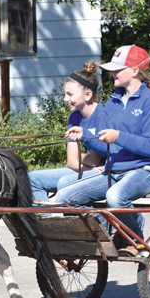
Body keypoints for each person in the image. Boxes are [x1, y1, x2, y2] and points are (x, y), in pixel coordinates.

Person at [55, 45, 150, 250]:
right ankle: (102, 237)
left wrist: (119, 136)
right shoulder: (114, 101)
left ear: (134, 71)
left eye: (118, 69)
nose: (112, 73)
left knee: (115, 197)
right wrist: (86, 135)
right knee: (65, 197)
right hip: (113, 172)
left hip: (144, 171)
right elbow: (103, 143)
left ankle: (135, 234)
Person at [29, 61, 109, 203]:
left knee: (65, 182)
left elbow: (95, 159)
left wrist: (82, 158)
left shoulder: (103, 115)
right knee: (33, 179)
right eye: (65, 94)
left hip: (104, 173)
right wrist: (87, 163)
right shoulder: (74, 117)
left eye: (70, 94)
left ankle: (86, 221)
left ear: (88, 94)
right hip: (89, 170)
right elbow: (72, 161)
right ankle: (45, 223)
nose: (65, 99)